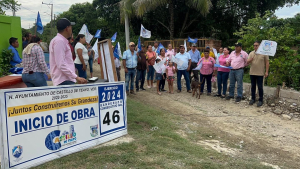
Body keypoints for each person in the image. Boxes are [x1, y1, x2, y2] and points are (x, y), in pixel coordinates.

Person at [49, 18, 87, 86]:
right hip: (64, 80)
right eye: (71, 28)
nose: (71, 30)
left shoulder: (60, 40)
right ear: (67, 28)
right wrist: (76, 77)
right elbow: (61, 64)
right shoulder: (59, 41)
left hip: (65, 79)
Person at [247, 41, 269, 107]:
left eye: (257, 45)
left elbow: (267, 63)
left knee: (260, 87)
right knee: (253, 86)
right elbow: (247, 62)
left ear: (260, 46)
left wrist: (266, 72)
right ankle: (253, 99)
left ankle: (260, 100)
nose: (255, 46)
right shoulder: (251, 53)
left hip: (260, 73)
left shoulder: (264, 53)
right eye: (254, 45)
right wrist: (250, 60)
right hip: (252, 72)